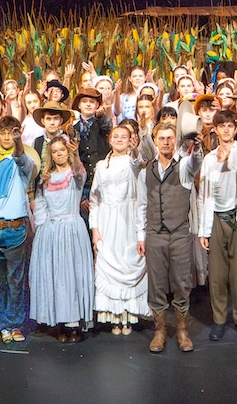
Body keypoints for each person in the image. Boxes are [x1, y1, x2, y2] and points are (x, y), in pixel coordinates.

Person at [136, 123, 203, 353]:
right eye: (161, 138)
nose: (166, 141)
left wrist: (197, 148)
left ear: (175, 140)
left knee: (182, 283)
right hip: (155, 232)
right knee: (156, 285)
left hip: (179, 233)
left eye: (169, 138)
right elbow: (141, 205)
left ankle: (182, 330)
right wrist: (140, 236)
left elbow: (195, 164)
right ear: (155, 141)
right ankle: (160, 330)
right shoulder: (147, 170)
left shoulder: (183, 165)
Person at [199, 108, 237, 341]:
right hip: (216, 219)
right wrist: (204, 230)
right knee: (217, 275)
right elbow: (204, 196)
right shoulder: (208, 159)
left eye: (230, 126)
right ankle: (219, 320)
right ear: (214, 129)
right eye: (221, 125)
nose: (226, 129)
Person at [30, 135, 95, 342]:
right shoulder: (46, 178)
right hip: (51, 231)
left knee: (72, 276)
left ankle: (74, 323)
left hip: (71, 229)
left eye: (62, 150)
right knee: (56, 277)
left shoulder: (75, 174)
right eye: (55, 151)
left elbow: (78, 172)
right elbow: (40, 205)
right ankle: (59, 322)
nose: (59, 154)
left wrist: (76, 154)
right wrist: (41, 230)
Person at [0, 116, 35, 344]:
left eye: (11, 133)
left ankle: (15, 323)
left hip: (15, 228)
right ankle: (4, 325)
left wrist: (18, 141)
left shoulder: (23, 161)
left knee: (15, 280)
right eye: (3, 133)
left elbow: (21, 157)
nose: (7, 137)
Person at [90, 125, 150, 334]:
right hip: (107, 221)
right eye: (116, 136)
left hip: (128, 220)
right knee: (109, 264)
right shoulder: (100, 166)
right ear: (109, 139)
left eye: (124, 136)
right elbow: (95, 200)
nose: (119, 139)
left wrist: (135, 150)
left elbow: (136, 163)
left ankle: (129, 316)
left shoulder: (135, 162)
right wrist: (95, 228)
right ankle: (114, 317)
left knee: (128, 262)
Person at [72, 88, 112, 224]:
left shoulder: (102, 123)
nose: (88, 104)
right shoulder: (73, 128)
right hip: (83, 185)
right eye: (84, 101)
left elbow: (108, 126)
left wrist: (101, 116)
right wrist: (81, 196)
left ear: (97, 105)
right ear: (79, 105)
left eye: (92, 102)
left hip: (103, 183)